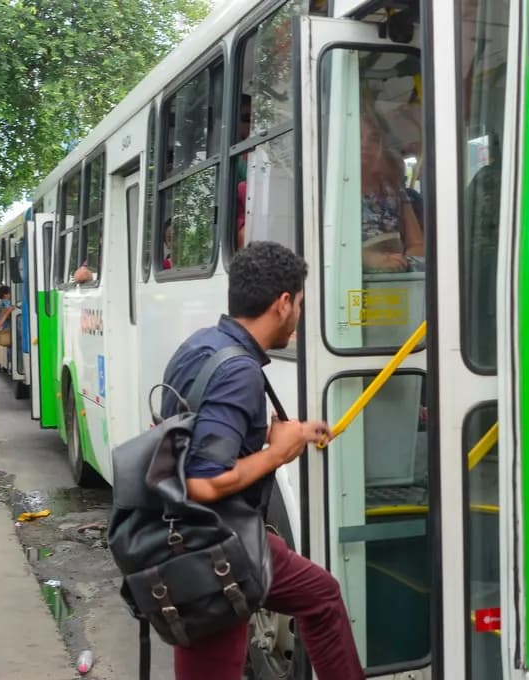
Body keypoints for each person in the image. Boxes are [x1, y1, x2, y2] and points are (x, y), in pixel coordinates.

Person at [162, 241, 364, 680]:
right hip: (216, 545)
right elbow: (204, 482)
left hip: (188, 537)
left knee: (320, 595)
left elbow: (189, 438)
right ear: (284, 303)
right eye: (300, 305)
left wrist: (279, 437)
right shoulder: (239, 372)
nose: (299, 316)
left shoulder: (200, 346)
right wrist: (277, 453)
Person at [360, 115, 424, 273]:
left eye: (374, 139)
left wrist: (402, 262)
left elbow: (418, 245)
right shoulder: (333, 191)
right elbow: (323, 248)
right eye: (358, 136)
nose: (366, 144)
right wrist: (368, 259)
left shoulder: (393, 190)